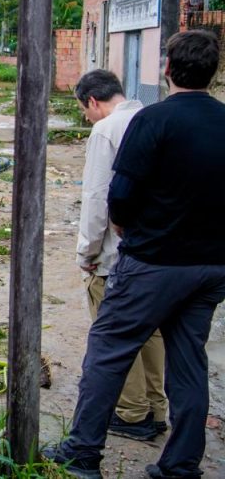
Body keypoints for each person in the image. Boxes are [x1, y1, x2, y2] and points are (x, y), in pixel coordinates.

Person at [44, 30, 225, 479]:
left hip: (154, 261)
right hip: (211, 267)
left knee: (107, 349)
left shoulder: (153, 120)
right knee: (189, 362)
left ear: (166, 69)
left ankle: (83, 452)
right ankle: (180, 465)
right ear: (214, 71)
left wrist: (127, 226)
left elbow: (119, 197)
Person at [74, 69, 167, 442]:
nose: (86, 118)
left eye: (84, 111)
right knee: (151, 331)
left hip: (114, 255)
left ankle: (131, 414)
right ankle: (157, 409)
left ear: (93, 101)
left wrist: (87, 251)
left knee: (114, 336)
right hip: (153, 251)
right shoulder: (152, 118)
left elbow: (97, 198)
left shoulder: (105, 130)